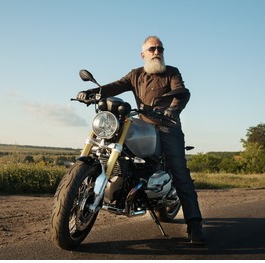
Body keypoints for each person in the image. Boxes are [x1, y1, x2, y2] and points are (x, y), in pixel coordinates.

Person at [77, 35, 206, 245]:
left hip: (167, 126)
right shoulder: (136, 74)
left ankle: (194, 224)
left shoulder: (171, 72)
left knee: (180, 173)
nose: (157, 52)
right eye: (153, 49)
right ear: (143, 54)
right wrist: (90, 93)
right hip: (142, 124)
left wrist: (173, 110)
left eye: (160, 49)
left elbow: (181, 93)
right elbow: (115, 86)